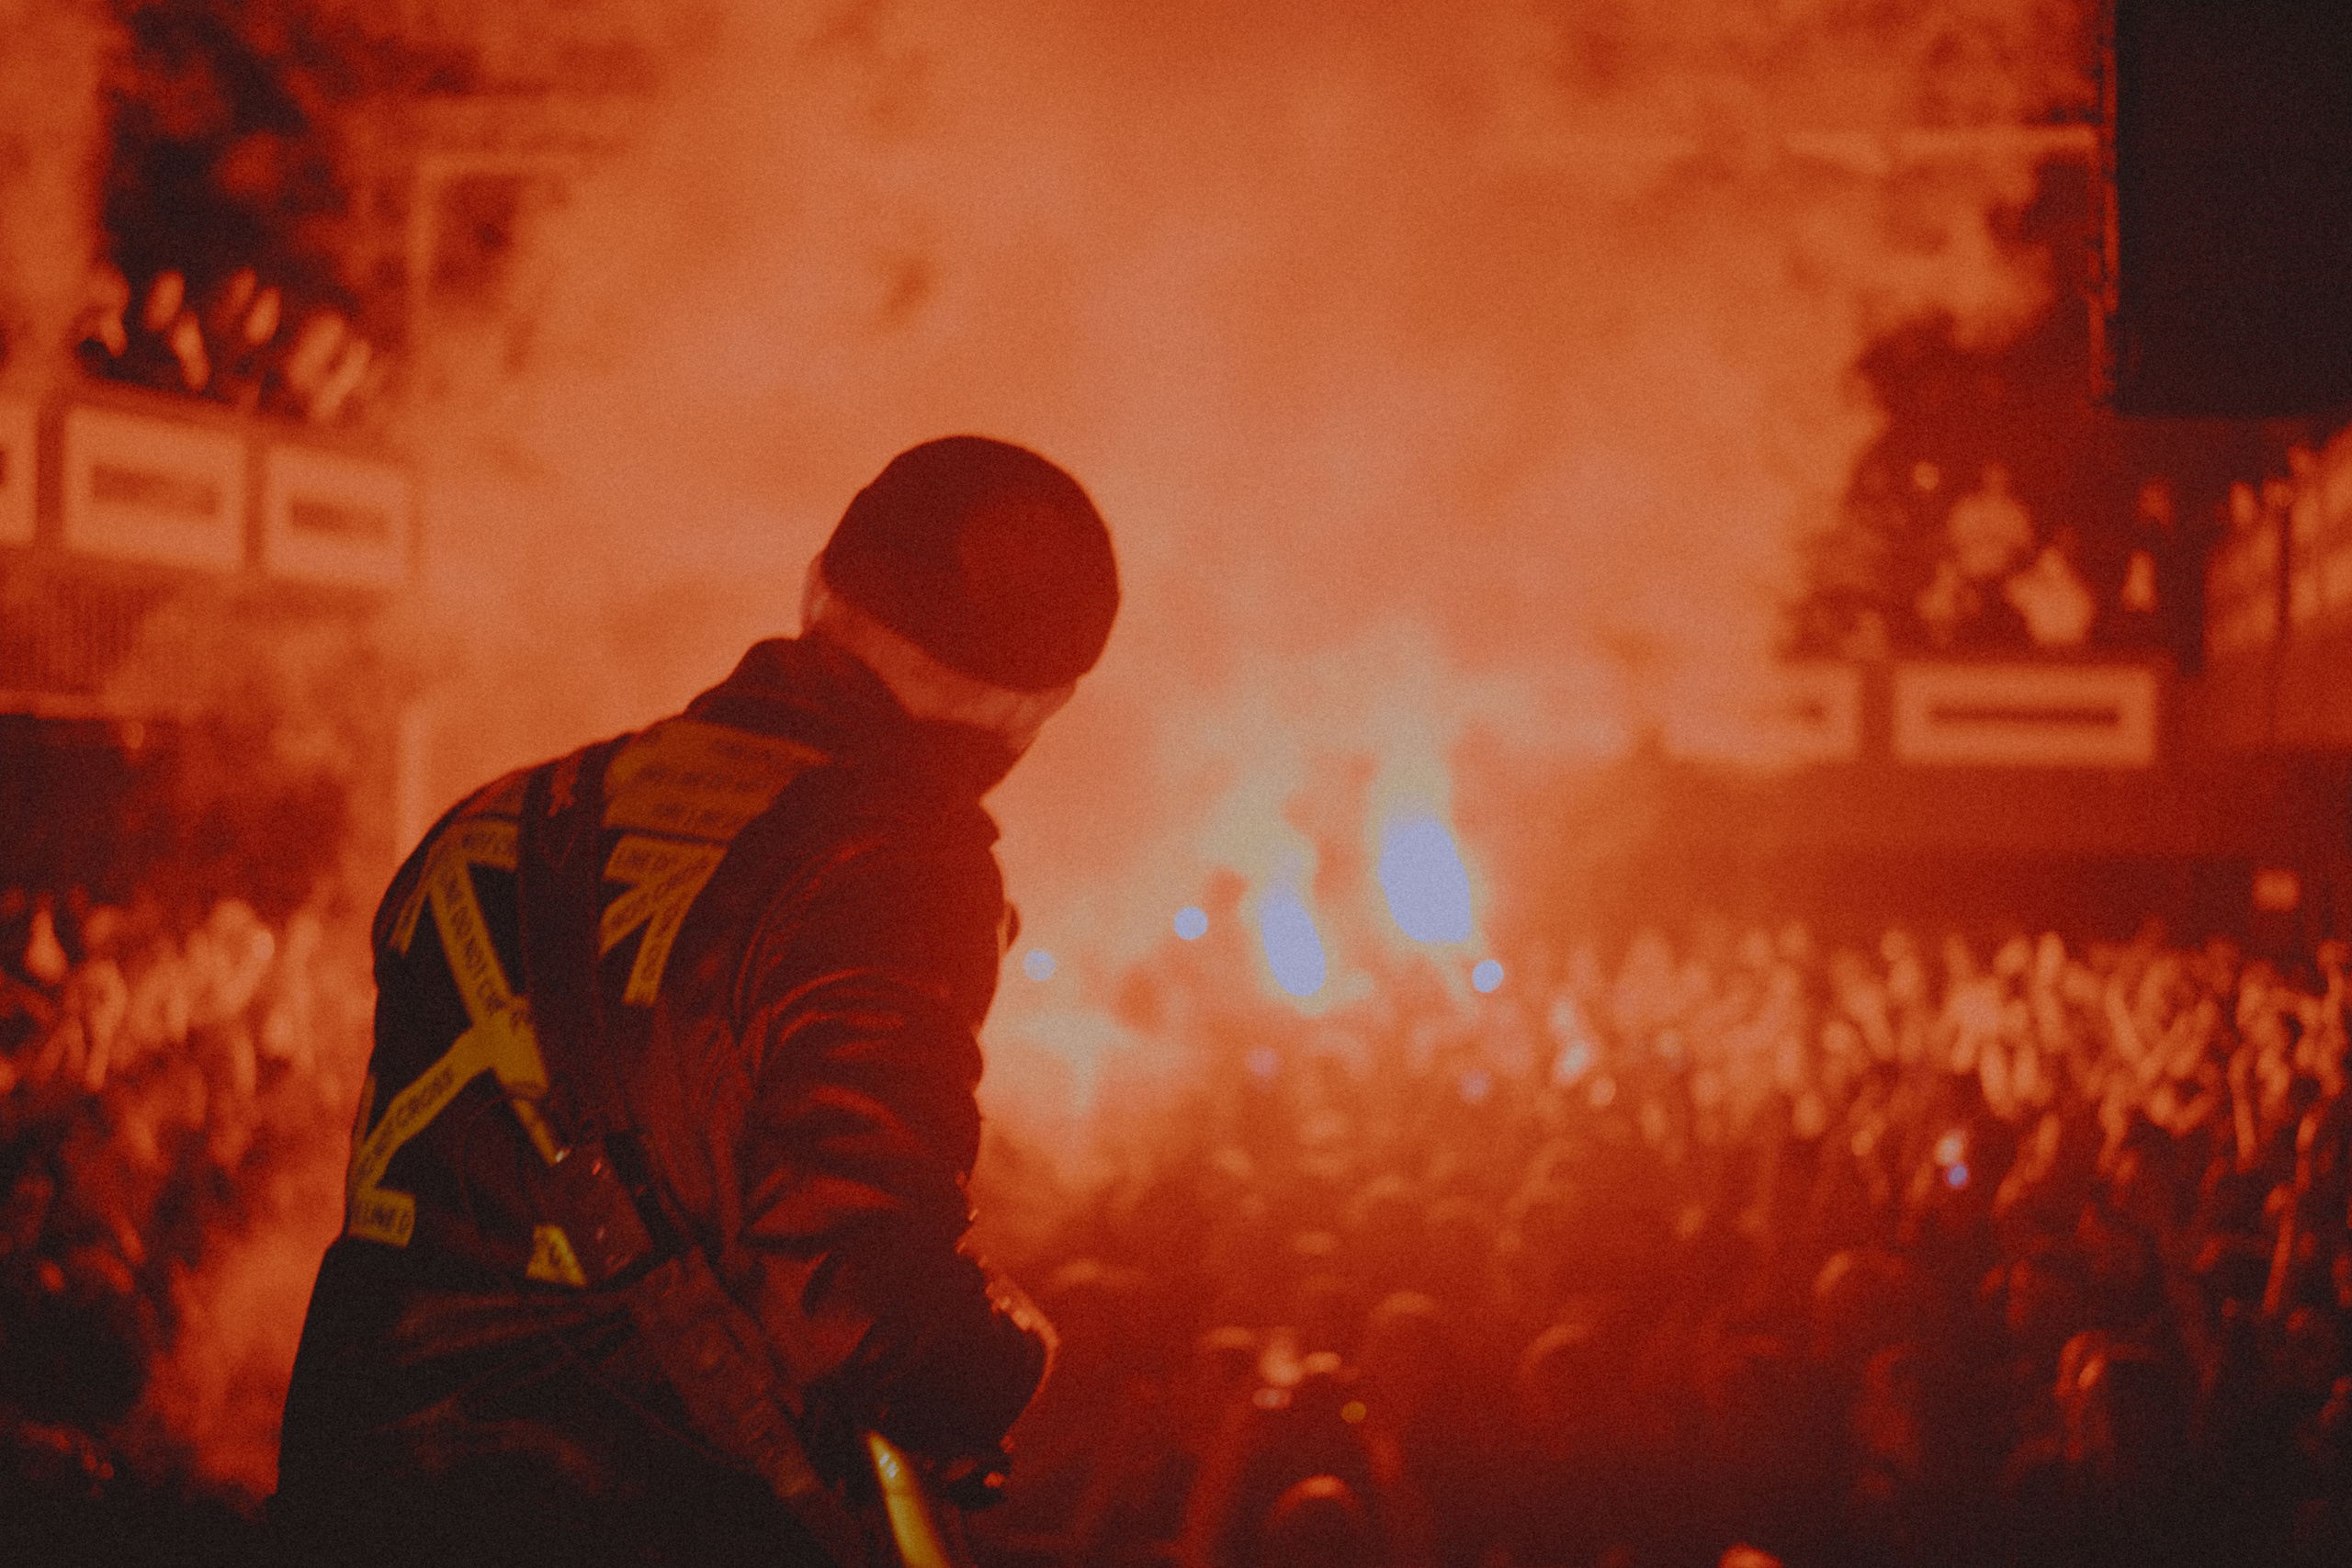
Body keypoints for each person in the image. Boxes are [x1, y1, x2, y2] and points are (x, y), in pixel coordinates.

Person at [272, 435, 1119, 1567]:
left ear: (817, 586)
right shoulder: (897, 863)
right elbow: (855, 1303)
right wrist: (1015, 1352)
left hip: (358, 1500)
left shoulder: (487, 825)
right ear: (1036, 710)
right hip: (642, 1515)